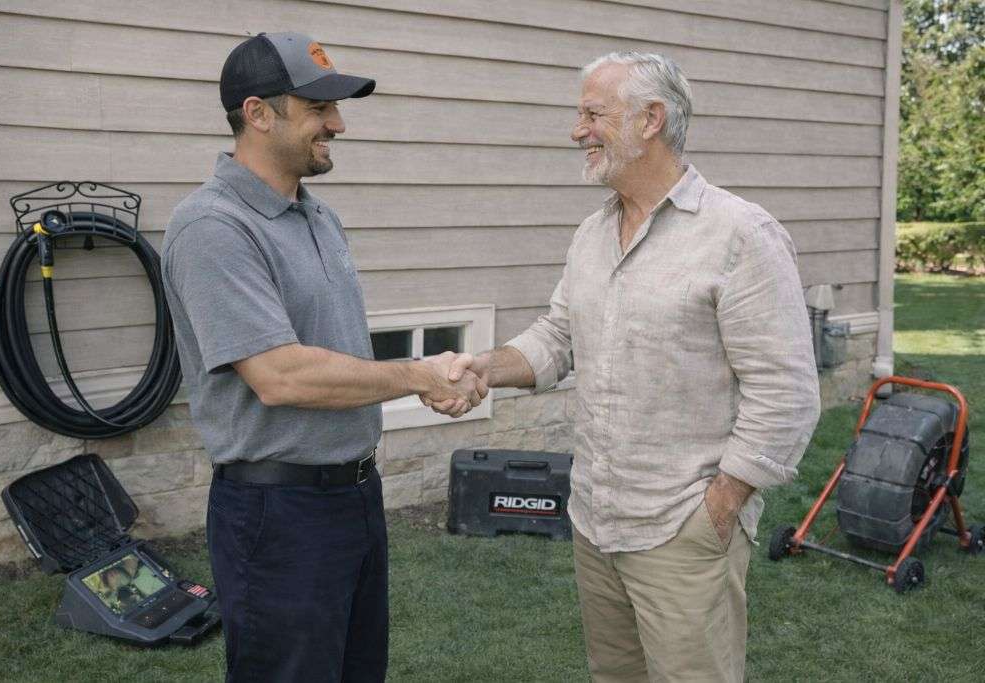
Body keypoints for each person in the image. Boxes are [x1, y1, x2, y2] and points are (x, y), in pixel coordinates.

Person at [437, 52, 821, 682]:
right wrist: (486, 367)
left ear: (651, 119)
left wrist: (721, 506)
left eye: (593, 113)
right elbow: (558, 336)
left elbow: (786, 392)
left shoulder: (739, 235)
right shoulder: (592, 233)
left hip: (683, 528)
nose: (577, 130)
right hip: (594, 520)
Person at [160, 32, 485, 682]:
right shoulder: (213, 228)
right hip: (277, 517)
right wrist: (418, 374)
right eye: (318, 108)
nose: (337, 123)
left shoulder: (318, 217)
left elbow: (333, 354)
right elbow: (279, 374)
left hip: (355, 498)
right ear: (258, 113)